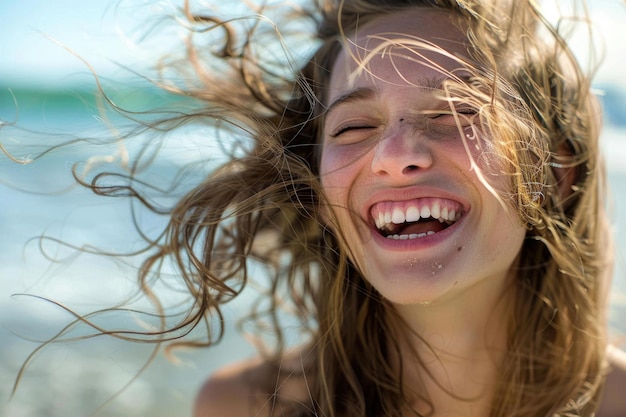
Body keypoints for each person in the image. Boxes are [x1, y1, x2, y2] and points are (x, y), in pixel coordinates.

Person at [12, 0, 626, 416]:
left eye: (454, 113)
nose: (395, 154)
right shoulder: (241, 407)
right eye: (354, 127)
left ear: (554, 173)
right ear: (321, 192)